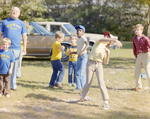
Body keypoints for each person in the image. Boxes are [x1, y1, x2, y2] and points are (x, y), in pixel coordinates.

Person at [80, 31, 123, 110]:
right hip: (91, 63)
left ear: (109, 41)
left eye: (108, 36)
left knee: (101, 82)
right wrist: (115, 40)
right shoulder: (98, 42)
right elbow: (102, 40)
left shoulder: (106, 49)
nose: (105, 36)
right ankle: (83, 96)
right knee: (88, 83)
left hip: (99, 65)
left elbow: (106, 63)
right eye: (106, 35)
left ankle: (106, 101)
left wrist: (108, 53)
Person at [0, 7, 27, 91]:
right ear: (10, 12)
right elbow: (0, 34)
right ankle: (3, 84)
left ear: (19, 13)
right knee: (3, 65)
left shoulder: (21, 23)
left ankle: (13, 85)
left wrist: (24, 49)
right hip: (5, 48)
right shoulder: (5, 22)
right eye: (13, 11)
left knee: (14, 67)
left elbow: (24, 36)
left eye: (16, 11)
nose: (14, 12)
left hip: (16, 48)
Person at [132, 24, 150, 91]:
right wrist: (136, 56)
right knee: (137, 72)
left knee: (148, 72)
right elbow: (134, 48)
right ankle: (138, 86)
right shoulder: (134, 39)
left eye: (137, 30)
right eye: (135, 30)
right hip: (139, 56)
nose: (136, 31)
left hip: (145, 55)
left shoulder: (145, 38)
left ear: (141, 30)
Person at [74, 25, 89, 91]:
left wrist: (82, 52)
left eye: (80, 31)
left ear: (83, 32)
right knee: (77, 72)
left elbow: (87, 45)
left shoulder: (83, 38)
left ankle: (84, 87)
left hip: (83, 57)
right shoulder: (78, 39)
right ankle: (78, 87)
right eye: (77, 30)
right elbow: (78, 49)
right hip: (78, 57)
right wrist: (73, 53)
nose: (78, 32)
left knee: (81, 72)